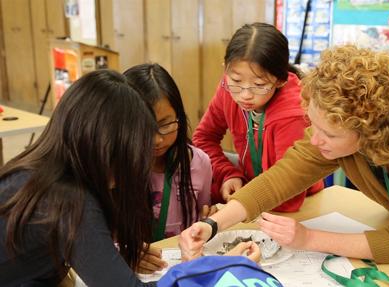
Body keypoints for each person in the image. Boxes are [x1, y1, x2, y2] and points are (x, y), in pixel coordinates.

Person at [179, 44, 389, 264]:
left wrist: (307, 239)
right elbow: (282, 178)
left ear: (369, 130)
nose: (316, 140)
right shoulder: (342, 120)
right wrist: (213, 224)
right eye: (314, 126)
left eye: (330, 135)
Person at [0, 70, 258, 287]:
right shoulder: (70, 202)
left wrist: (108, 258)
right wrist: (216, 269)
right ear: (105, 146)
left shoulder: (36, 170)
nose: (139, 163)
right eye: (136, 150)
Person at [193, 22, 323, 212]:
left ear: (280, 80)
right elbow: (204, 138)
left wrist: (239, 203)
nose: (245, 95)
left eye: (259, 84)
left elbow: (289, 196)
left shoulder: (292, 115)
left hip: (299, 206)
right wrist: (228, 174)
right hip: (255, 197)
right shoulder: (227, 90)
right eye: (236, 80)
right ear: (226, 69)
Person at [124, 63, 215, 272]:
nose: (156, 139)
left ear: (179, 118)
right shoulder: (116, 170)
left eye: (165, 124)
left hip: (182, 266)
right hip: (131, 268)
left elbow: (203, 214)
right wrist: (125, 253)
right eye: (144, 128)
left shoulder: (199, 163)